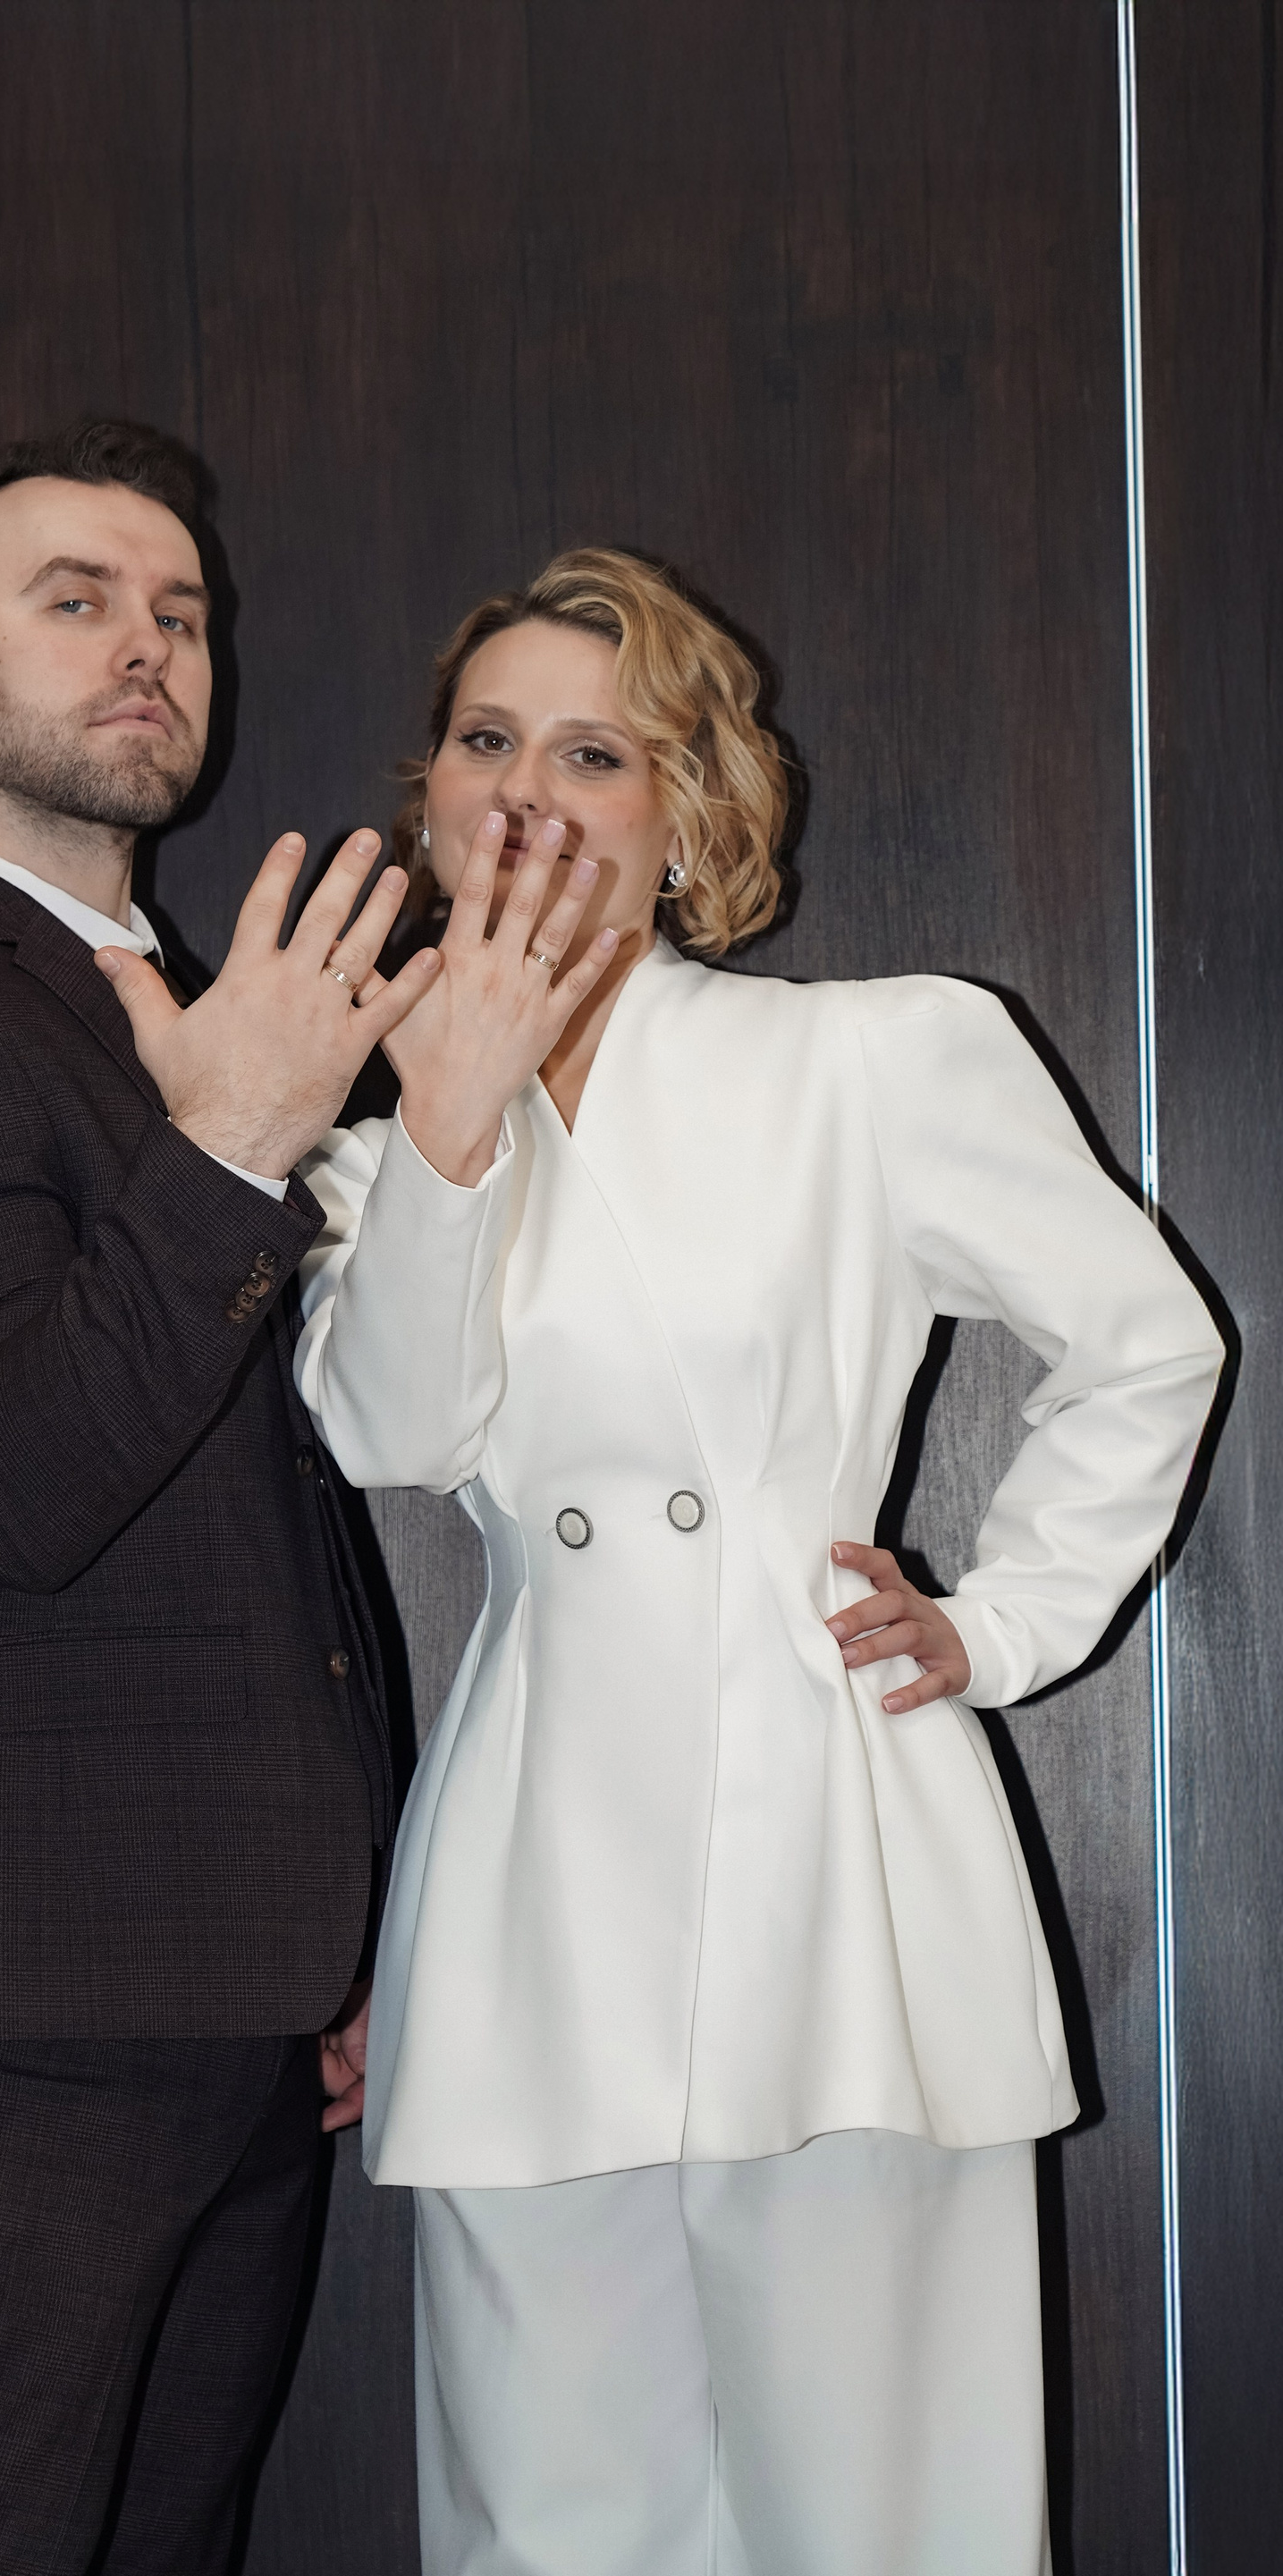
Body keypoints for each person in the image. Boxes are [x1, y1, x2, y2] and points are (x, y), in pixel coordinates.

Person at [269, 549, 1223, 2574]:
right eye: (488, 739)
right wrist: (448, 1125)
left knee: (883, 2521)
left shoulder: (870, 1061)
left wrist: (1000, 1623)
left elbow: (1149, 1341)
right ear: (433, 799)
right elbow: (391, 1432)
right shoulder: (373, 1152)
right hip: (536, 1887)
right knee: (550, 2526)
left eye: (594, 752)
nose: (528, 788)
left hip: (835, 1872)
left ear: (689, 814)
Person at [0, 418, 443, 2574]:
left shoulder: (164, 1017)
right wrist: (234, 1148)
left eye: (180, 613)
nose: (146, 644)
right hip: (30, 1992)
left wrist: (333, 1918)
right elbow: (21, 1481)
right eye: (73, 600)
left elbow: (256, 1524)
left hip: (229, 1989)